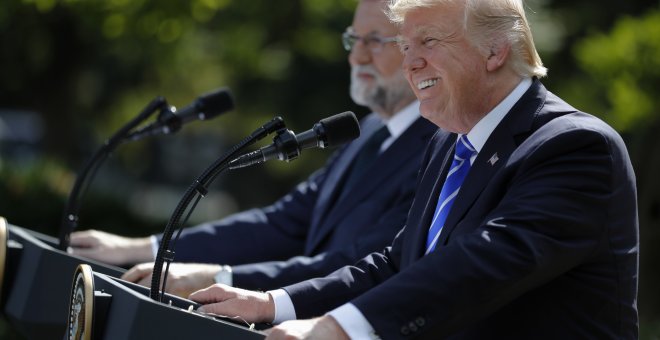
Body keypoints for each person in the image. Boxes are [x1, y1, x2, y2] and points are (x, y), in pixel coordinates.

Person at [187, 0, 640, 338]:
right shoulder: (448, 143)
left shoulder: (575, 147)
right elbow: (398, 263)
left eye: (428, 42)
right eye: (404, 46)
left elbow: (482, 263)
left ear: (495, 51)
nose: (409, 63)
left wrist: (338, 328)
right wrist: (275, 303)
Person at [69, 0, 447, 297]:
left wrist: (220, 278)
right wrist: (141, 248)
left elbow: (359, 264)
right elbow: (282, 221)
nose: (357, 56)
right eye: (353, 39)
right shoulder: (367, 130)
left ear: (419, 48)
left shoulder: (441, 144)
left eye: (375, 41)